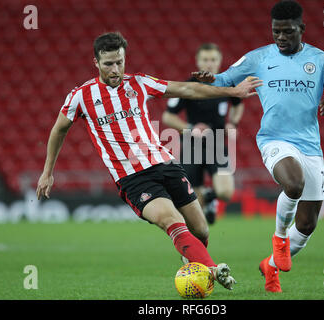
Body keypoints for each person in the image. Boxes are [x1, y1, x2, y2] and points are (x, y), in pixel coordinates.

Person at [36, 32, 262, 290]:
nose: (115, 68)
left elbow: (187, 88)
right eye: (108, 63)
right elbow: (58, 129)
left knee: (201, 231)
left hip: (164, 164)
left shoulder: (140, 83)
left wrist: (232, 90)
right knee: (172, 221)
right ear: (96, 63)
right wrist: (47, 172)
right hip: (133, 178)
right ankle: (212, 269)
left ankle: (193, 261)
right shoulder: (81, 96)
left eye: (120, 61)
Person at [193, 0, 324, 292]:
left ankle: (270, 265)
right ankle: (279, 239)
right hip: (274, 139)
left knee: (307, 225)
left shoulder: (322, 60)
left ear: (301, 29)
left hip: (310, 146)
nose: (281, 37)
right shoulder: (259, 57)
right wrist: (210, 79)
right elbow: (225, 78)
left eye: (287, 32)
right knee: (293, 183)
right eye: (276, 32)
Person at [162, 43, 244, 225]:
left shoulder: (228, 84)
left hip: (216, 144)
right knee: (194, 201)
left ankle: (211, 197)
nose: (209, 64)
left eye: (213, 59)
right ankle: (205, 205)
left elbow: (238, 105)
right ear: (198, 62)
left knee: (226, 192)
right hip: (193, 147)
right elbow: (168, 116)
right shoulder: (187, 87)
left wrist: (233, 122)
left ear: (220, 61)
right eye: (205, 60)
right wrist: (191, 128)